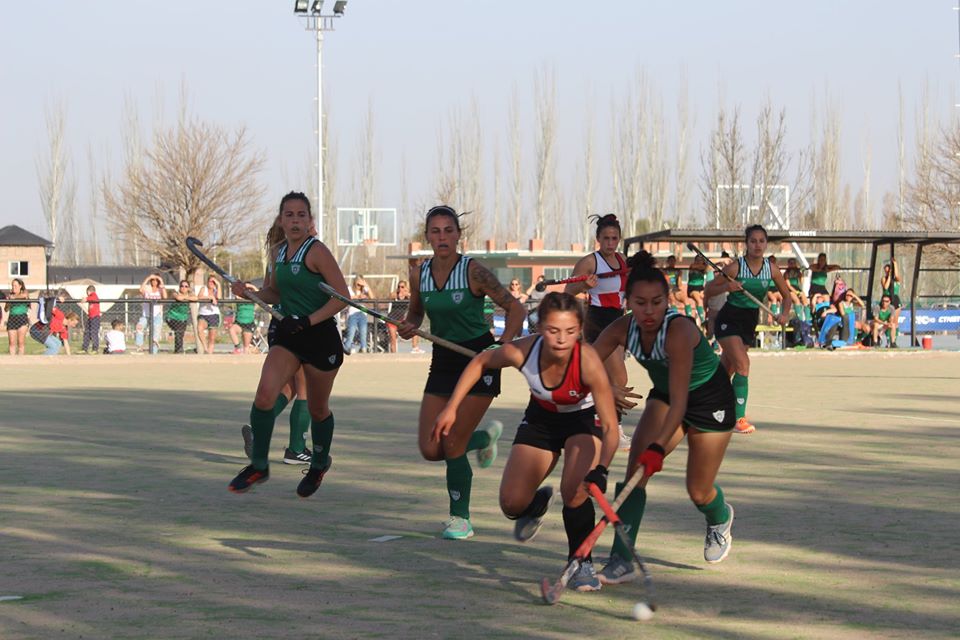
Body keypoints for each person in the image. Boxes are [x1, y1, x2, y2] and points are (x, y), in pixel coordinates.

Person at [434, 292, 620, 590]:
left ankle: (581, 561)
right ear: (539, 327)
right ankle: (536, 505)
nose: (561, 339)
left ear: (581, 330)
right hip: (541, 421)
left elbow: (610, 426)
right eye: (553, 330)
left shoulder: (589, 362)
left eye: (570, 332)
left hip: (582, 423)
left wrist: (602, 469)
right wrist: (451, 407)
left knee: (574, 492)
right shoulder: (522, 352)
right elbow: (481, 361)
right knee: (511, 503)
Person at [591, 250, 739, 586]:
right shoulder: (620, 329)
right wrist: (607, 387)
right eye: (640, 303)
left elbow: (682, 400)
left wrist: (658, 447)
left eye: (656, 302)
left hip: (708, 399)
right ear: (627, 301)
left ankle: (719, 518)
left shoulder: (679, 331)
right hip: (666, 394)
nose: (648, 311)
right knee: (633, 478)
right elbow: (584, 364)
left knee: (698, 491)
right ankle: (621, 559)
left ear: (667, 300)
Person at [396, 204, 526, 539]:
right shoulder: (419, 274)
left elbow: (516, 308)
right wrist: (407, 327)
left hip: (478, 358)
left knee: (452, 442)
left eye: (448, 231)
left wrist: (502, 347)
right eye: (435, 231)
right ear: (427, 236)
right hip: (443, 360)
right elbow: (414, 314)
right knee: (430, 448)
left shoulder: (474, 272)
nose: (442, 237)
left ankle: (461, 519)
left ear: (458, 235)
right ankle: (482, 439)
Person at [227, 191, 349, 495]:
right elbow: (274, 294)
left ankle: (319, 464)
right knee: (265, 395)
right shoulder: (278, 253)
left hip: (319, 336)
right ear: (281, 220)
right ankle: (259, 465)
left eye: (301, 215)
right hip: (288, 334)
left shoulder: (317, 251)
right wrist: (250, 292)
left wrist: (308, 321)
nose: (295, 220)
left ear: (310, 220)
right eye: (289, 215)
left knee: (318, 409)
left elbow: (343, 298)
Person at [704, 225, 791, 434]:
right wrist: (727, 287)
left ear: (766, 244)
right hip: (729, 319)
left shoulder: (771, 269)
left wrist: (784, 314)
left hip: (748, 322)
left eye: (761, 241)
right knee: (743, 364)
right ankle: (738, 418)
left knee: (728, 369)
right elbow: (709, 289)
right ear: (747, 243)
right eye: (753, 241)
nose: (757, 245)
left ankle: (706, 406)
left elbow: (787, 296)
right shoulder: (735, 268)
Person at [564, 214, 631, 450]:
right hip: (598, 320)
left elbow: (626, 289)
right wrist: (584, 284)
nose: (610, 243)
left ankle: (601, 424)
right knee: (619, 377)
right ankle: (614, 430)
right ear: (598, 239)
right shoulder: (590, 262)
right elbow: (568, 290)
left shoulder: (622, 260)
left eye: (614, 238)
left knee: (604, 377)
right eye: (606, 239)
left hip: (618, 320)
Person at [386, 280, 421, 353]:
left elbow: (416, 299)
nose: (400, 288)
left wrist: (407, 294)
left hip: (401, 320)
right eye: (399, 287)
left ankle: (415, 348)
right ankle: (394, 355)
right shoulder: (395, 294)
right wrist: (397, 294)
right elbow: (390, 296)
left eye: (402, 287)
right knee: (393, 338)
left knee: (414, 329)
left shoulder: (408, 295)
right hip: (392, 319)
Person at [136, 274, 167, 354]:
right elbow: (140, 289)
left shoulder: (160, 290)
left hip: (157, 315)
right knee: (139, 327)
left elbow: (165, 297)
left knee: (155, 334)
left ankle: (154, 352)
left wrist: (161, 280)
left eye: (156, 280)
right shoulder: (147, 289)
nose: (154, 282)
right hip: (146, 314)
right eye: (153, 280)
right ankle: (139, 347)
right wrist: (148, 277)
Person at [342, 275, 372, 354]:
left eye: (361, 285)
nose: (359, 287)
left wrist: (366, 286)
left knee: (363, 332)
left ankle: (364, 348)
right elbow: (348, 297)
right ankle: (346, 347)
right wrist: (358, 296)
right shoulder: (350, 289)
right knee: (351, 332)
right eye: (358, 285)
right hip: (353, 313)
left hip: (362, 313)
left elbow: (372, 297)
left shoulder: (364, 290)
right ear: (355, 283)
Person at [167, 280, 196, 354]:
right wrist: (187, 297)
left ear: (188, 288)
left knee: (180, 334)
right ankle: (179, 350)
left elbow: (195, 298)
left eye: (186, 286)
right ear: (179, 287)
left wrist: (186, 297)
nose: (184, 288)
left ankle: (178, 350)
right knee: (178, 331)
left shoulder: (190, 294)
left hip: (183, 319)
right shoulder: (175, 292)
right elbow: (178, 298)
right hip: (172, 317)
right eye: (182, 286)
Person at [880, 258, 902, 347]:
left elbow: (897, 276)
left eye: (888, 270)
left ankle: (894, 341)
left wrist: (895, 264)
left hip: (895, 299)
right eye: (886, 271)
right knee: (889, 320)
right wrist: (888, 276)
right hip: (887, 299)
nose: (887, 272)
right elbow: (885, 287)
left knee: (895, 322)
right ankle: (888, 340)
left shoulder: (897, 280)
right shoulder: (884, 278)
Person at [6, 278, 30, 355]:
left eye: (15, 286)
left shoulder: (24, 292)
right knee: (12, 343)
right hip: (12, 319)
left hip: (22, 319)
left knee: (21, 342)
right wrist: (8, 302)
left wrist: (14, 297)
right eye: (12, 285)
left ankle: (21, 361)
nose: (13, 287)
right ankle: (12, 361)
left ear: (20, 286)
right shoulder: (10, 295)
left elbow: (25, 295)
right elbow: (6, 309)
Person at [197, 276, 221, 354]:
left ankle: (209, 354)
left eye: (213, 282)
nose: (211, 283)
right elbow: (199, 297)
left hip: (213, 315)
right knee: (200, 328)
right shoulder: (204, 289)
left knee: (212, 337)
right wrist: (210, 297)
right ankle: (205, 348)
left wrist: (218, 284)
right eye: (210, 281)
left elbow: (219, 297)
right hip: (203, 314)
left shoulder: (216, 290)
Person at [685, 254, 708, 325]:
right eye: (697, 260)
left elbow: (707, 269)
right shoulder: (693, 265)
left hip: (700, 287)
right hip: (692, 287)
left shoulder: (704, 267)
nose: (698, 261)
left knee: (706, 300)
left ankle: (704, 315)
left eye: (700, 260)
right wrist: (704, 265)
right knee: (699, 300)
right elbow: (698, 267)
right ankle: (703, 320)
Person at [81, 285, 101, 354]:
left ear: (89, 291)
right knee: (87, 332)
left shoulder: (94, 295)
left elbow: (93, 298)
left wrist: (86, 298)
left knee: (93, 333)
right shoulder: (90, 297)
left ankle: (95, 348)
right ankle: (84, 348)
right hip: (90, 317)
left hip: (95, 317)